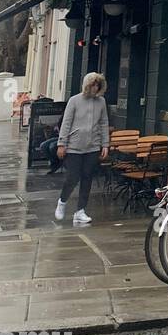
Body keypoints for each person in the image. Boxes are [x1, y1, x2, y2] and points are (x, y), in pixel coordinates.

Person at [55, 72, 109, 226]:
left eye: (97, 85)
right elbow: (66, 123)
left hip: (92, 147)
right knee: (72, 177)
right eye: (92, 85)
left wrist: (105, 144)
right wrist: (62, 143)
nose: (95, 88)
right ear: (87, 85)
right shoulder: (74, 101)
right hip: (74, 147)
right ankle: (62, 201)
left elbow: (104, 123)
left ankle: (80, 211)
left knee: (87, 177)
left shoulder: (101, 102)